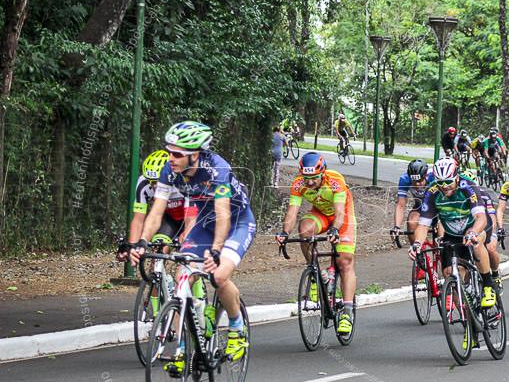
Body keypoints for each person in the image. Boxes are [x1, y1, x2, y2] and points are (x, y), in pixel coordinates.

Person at [130, 122, 255, 365]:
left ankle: (237, 329)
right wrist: (142, 243)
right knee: (183, 276)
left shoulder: (217, 168)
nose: (171, 158)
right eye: (169, 152)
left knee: (218, 276)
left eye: (177, 154)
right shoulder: (169, 170)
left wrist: (217, 250)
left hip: (236, 222)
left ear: (195, 154)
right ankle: (185, 346)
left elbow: (223, 213)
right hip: (203, 223)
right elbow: (156, 212)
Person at [278, 152, 358, 335]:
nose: (310, 182)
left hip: (342, 217)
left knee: (344, 261)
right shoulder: (298, 184)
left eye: (314, 178)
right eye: (307, 178)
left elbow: (339, 214)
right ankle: (316, 273)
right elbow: (292, 212)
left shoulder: (335, 180)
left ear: (322, 173)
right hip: (321, 214)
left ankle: (346, 312)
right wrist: (284, 232)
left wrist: (335, 230)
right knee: (305, 231)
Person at [409, 158, 496, 312]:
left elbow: (481, 218)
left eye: (448, 181)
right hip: (452, 232)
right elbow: (423, 225)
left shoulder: (467, 186)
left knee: (476, 244)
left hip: (475, 226)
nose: (444, 186)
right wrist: (417, 244)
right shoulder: (432, 192)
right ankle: (467, 310)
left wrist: (473, 232)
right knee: (449, 272)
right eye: (440, 182)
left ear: (456, 176)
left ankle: (489, 285)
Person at [117, 150, 195, 263]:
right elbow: (138, 220)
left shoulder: (183, 181)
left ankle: (194, 278)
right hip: (170, 220)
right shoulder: (143, 184)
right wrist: (132, 246)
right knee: (157, 252)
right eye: (151, 181)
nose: (154, 186)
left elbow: (192, 217)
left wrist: (186, 236)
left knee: (186, 260)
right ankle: (156, 277)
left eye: (157, 181)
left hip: (191, 219)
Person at [461, 168, 502, 288]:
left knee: (490, 248)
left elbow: (492, 216)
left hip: (486, 226)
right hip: (468, 228)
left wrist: (492, 232)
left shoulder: (483, 195)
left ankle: (495, 274)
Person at [391, 159, 434, 245]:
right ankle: (417, 255)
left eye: (420, 180)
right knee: (411, 222)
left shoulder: (433, 176)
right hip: (420, 206)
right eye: (414, 181)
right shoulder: (405, 179)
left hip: (436, 206)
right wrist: (397, 227)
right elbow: (400, 205)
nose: (417, 184)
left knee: (440, 235)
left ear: (425, 175)